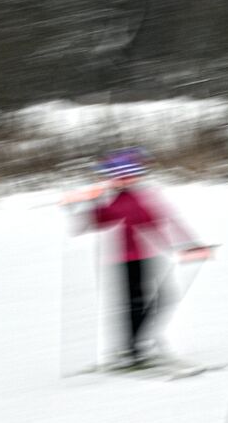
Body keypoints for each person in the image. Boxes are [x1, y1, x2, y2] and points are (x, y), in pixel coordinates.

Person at [66, 147, 210, 366]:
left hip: (146, 257)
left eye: (130, 175)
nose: (126, 180)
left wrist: (189, 245)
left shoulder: (143, 196)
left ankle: (135, 347)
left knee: (159, 299)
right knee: (134, 305)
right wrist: (84, 208)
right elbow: (89, 225)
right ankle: (134, 351)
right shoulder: (115, 201)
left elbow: (166, 222)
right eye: (121, 177)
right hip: (124, 260)